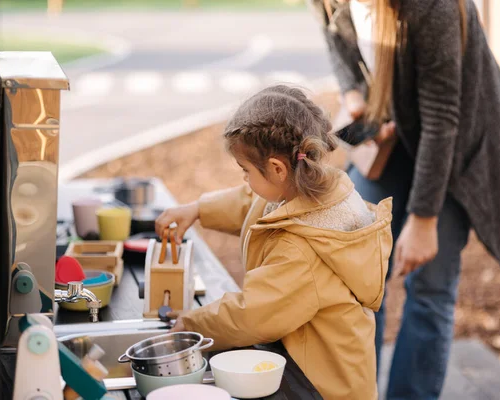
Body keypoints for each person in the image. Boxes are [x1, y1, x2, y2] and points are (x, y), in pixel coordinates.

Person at [309, 0, 500, 398]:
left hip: (457, 147)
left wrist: (424, 220)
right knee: (357, 275)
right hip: (397, 135)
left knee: (430, 287)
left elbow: (443, 115)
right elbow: (334, 33)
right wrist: (354, 94)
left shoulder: (432, 5)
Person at [155, 85, 393, 400]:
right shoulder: (310, 187)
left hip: (324, 389)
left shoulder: (304, 248)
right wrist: (198, 209)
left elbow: (253, 313)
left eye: (246, 171)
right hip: (305, 372)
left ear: (277, 169)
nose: (244, 180)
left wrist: (192, 322)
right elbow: (252, 203)